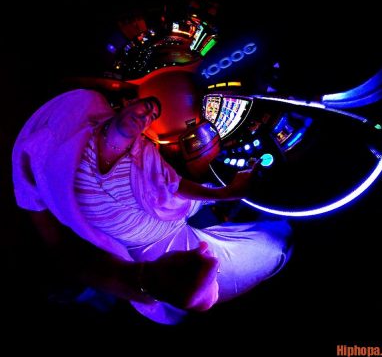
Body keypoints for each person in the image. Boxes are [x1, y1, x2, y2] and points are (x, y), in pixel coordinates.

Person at [12, 88, 293, 324]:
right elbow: (59, 246)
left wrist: (225, 192)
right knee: (274, 244)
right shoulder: (49, 153)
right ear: (123, 104)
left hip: (172, 209)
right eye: (146, 107)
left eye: (152, 115)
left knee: (239, 204)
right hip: (154, 242)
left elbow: (175, 186)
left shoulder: (141, 150)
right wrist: (140, 281)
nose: (146, 115)